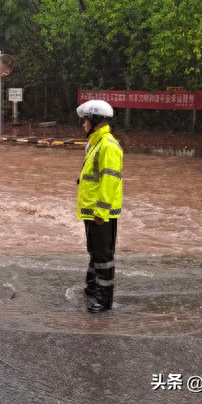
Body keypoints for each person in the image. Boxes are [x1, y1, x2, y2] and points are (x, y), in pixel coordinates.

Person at [76, 99, 123, 313]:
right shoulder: (95, 143)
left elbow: (110, 181)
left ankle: (104, 300)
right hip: (92, 210)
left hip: (100, 212)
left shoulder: (108, 146)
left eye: (85, 120)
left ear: (95, 121)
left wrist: (101, 211)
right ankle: (92, 286)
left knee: (104, 255)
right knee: (94, 250)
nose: (83, 125)